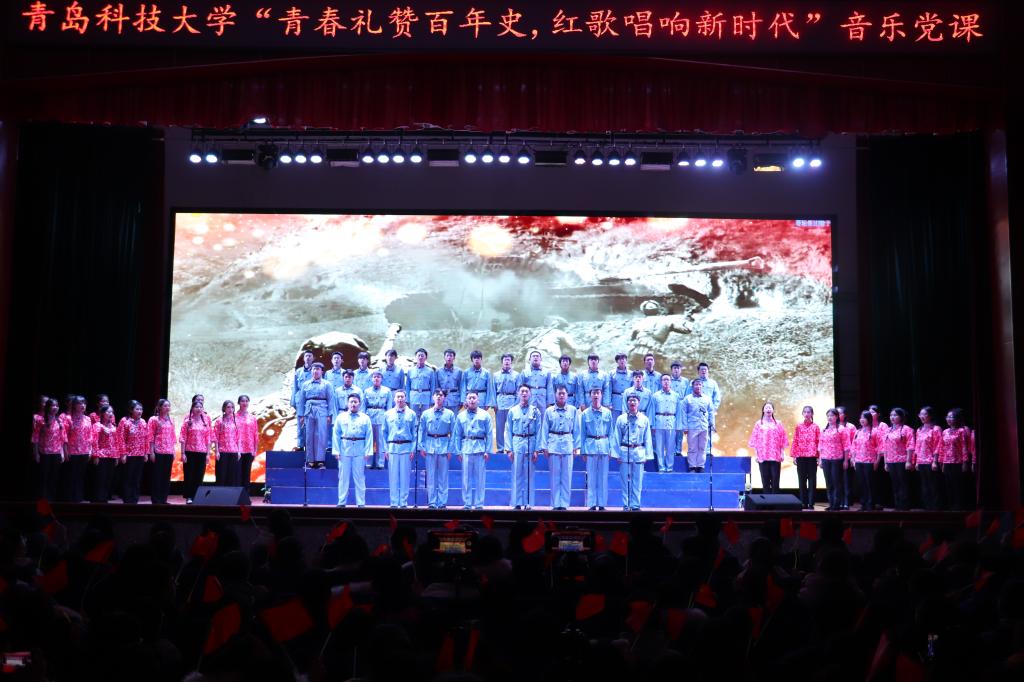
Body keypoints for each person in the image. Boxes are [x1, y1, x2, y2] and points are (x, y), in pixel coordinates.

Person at [540, 386, 581, 510]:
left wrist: (576, 446)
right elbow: (544, 429)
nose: (561, 395)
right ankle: (555, 504)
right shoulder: (549, 411)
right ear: (555, 395)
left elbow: (576, 429)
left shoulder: (573, 410)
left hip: (568, 444)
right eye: (559, 393)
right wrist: (544, 446)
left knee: (566, 477)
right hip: (553, 445)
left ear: (567, 395)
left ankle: (564, 504)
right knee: (554, 477)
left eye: (563, 393)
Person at [612, 394, 653, 511]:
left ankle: (635, 505)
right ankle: (626, 505)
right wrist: (617, 454)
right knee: (625, 481)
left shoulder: (644, 419)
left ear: (638, 403)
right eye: (630, 401)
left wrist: (647, 455)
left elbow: (647, 438)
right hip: (625, 451)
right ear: (627, 403)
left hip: (639, 452)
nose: (632, 403)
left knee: (637, 481)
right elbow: (617, 437)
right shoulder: (621, 419)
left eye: (634, 400)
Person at [453, 390, 493, 510]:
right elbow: (457, 435)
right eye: (469, 398)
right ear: (466, 400)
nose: (471, 400)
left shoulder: (485, 415)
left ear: (478, 400)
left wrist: (487, 451)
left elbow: (489, 434)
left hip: (480, 449)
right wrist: (458, 451)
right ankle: (467, 503)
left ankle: (479, 503)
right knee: (466, 478)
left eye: (474, 398)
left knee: (480, 478)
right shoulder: (460, 416)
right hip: (466, 448)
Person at [332, 393, 373, 508]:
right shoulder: (341, 417)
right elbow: (336, 434)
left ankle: (361, 503)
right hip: (344, 450)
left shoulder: (365, 418)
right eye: (351, 402)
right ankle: (341, 502)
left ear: (359, 403)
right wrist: (336, 451)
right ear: (347, 403)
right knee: (343, 477)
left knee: (360, 477)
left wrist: (368, 451)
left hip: (360, 450)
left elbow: (369, 435)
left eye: (355, 402)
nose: (353, 404)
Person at [504, 385, 541, 510]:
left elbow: (539, 430)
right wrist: (509, 449)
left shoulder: (535, 411)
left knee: (529, 475)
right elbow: (508, 430)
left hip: (531, 442)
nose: (524, 393)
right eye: (522, 391)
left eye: (526, 391)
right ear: (518, 394)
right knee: (517, 474)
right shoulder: (512, 411)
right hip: (517, 443)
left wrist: (537, 450)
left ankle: (529, 503)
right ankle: (517, 502)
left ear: (530, 394)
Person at [418, 389, 455, 509]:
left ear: (444, 398)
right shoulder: (426, 413)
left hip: (444, 446)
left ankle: (442, 502)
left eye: (441, 395)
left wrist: (450, 449)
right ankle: (432, 502)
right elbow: (421, 430)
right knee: (431, 476)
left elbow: (454, 433)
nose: (439, 397)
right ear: (433, 397)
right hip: (430, 446)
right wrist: (421, 446)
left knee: (443, 477)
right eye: (436, 395)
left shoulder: (450, 414)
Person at [382, 389, 418, 508]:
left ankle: (403, 503)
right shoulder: (388, 414)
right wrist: (386, 449)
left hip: (406, 448)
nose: (400, 399)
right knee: (393, 477)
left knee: (405, 477)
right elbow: (384, 433)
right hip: (392, 448)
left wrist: (413, 449)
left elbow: (415, 433)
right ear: (394, 399)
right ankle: (393, 502)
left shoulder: (412, 414)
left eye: (402, 397)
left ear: (405, 398)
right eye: (398, 397)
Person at [296, 363, 337, 468]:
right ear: (311, 371)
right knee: (309, 435)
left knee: (321, 435)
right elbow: (301, 400)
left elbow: (331, 400)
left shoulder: (327, 384)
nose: (315, 371)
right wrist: (301, 415)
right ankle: (310, 460)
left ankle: (320, 460)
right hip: (309, 410)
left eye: (318, 369)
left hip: (322, 410)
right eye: (314, 369)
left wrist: (330, 415)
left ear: (322, 371)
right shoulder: (305, 384)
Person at [580, 387, 613, 510]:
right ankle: (592, 504)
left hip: (604, 446)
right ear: (590, 396)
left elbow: (611, 432)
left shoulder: (607, 412)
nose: (596, 395)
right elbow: (582, 433)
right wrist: (583, 451)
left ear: (601, 395)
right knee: (592, 477)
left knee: (603, 477)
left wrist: (611, 449)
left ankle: (602, 504)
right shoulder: (585, 414)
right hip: (590, 447)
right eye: (593, 393)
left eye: (598, 393)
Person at [684, 362, 722, 461]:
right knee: (693, 434)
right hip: (695, 413)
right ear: (698, 371)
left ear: (708, 371)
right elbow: (687, 396)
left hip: (708, 412)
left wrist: (713, 409)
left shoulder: (713, 383)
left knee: (708, 432)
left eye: (705, 370)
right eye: (701, 370)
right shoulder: (693, 382)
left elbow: (717, 397)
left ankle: (708, 452)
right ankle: (694, 455)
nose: (703, 371)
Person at [748, 401, 787, 494]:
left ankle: (775, 499)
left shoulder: (778, 423)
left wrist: (782, 453)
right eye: (766, 408)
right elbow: (755, 439)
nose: (768, 409)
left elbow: (783, 438)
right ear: (763, 410)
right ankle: (767, 499)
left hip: (775, 455)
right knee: (765, 479)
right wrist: (756, 455)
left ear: (773, 410)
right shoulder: (758, 424)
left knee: (775, 479)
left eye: (770, 407)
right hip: (763, 455)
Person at [179, 397, 213, 504]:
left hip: (202, 452)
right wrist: (183, 453)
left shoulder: (205, 422)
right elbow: (183, 438)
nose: (199, 409)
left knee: (199, 475)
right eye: (196, 407)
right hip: (190, 452)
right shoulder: (187, 422)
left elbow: (208, 439)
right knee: (189, 475)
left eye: (200, 407)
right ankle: (189, 496)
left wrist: (208, 454)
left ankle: (198, 496)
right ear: (192, 409)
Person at [118, 400, 151, 505]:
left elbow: (146, 438)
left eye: (141, 409)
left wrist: (146, 453)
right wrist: (123, 453)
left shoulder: (143, 422)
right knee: (128, 477)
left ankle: (135, 499)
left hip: (140, 454)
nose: (140, 411)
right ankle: (127, 499)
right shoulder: (125, 421)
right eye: (137, 409)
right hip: (129, 454)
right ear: (131, 410)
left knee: (137, 478)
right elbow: (121, 438)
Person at [938, 407, 971, 511]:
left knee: (958, 485)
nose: (948, 419)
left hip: (958, 462)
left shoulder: (961, 431)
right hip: (947, 462)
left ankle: (959, 506)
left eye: (951, 417)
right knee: (949, 485)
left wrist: (965, 462)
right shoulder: (945, 431)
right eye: (947, 417)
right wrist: (942, 462)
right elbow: (942, 447)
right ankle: (951, 506)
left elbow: (964, 447)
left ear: (957, 418)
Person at [32, 397, 65, 501]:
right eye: (53, 405)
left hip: (56, 453)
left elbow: (61, 438)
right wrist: (36, 453)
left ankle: (51, 498)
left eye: (57, 405)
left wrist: (62, 453)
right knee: (43, 477)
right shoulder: (41, 420)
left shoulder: (59, 420)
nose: (55, 407)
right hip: (44, 453)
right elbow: (35, 438)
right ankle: (42, 499)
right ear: (48, 407)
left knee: (53, 476)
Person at [883, 407, 915, 511]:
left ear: (901, 417)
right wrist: (886, 462)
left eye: (895, 415)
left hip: (902, 460)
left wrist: (909, 461)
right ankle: (897, 505)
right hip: (891, 460)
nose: (892, 417)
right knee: (895, 484)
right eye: (891, 415)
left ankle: (904, 506)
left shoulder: (907, 429)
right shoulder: (888, 430)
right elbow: (885, 447)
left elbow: (910, 446)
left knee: (903, 483)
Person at [851, 410, 883, 511]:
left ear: (869, 419)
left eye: (864, 418)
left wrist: (877, 461)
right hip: (859, 461)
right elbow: (854, 446)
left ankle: (871, 504)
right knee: (861, 483)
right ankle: (863, 504)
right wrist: (853, 460)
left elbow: (880, 447)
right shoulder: (858, 432)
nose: (862, 420)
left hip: (870, 461)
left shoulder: (875, 431)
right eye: (861, 418)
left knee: (870, 483)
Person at [64, 396, 94, 503]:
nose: (83, 405)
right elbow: (65, 436)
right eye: (80, 403)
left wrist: (90, 450)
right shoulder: (68, 418)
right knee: (71, 475)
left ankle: (78, 498)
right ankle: (69, 498)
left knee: (80, 476)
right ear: (74, 405)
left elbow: (90, 435)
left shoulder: (87, 419)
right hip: (72, 451)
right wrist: (65, 451)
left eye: (84, 403)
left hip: (84, 451)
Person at [680, 379, 714, 472]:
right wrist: (685, 427)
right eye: (696, 384)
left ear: (702, 386)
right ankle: (692, 466)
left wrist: (712, 424)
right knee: (692, 448)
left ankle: (700, 466)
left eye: (700, 384)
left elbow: (711, 412)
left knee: (702, 447)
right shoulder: (687, 399)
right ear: (692, 386)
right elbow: (683, 414)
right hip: (692, 427)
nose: (698, 386)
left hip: (704, 426)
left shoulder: (707, 398)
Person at [818, 408, 849, 511]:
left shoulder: (841, 429)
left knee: (836, 482)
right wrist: (820, 459)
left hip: (837, 458)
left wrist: (845, 460)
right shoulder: (824, 429)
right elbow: (821, 445)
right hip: (826, 458)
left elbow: (846, 446)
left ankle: (836, 504)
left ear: (836, 417)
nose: (829, 417)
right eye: (828, 416)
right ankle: (831, 503)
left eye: (832, 415)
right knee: (829, 482)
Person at [791, 406, 820, 510]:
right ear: (802, 414)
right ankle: (803, 502)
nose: (807, 414)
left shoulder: (816, 427)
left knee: (812, 480)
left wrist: (819, 456)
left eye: (809, 412)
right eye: (805, 412)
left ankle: (811, 503)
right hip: (801, 456)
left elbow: (819, 442)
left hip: (812, 456)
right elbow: (795, 440)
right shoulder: (798, 426)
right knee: (802, 480)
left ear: (812, 414)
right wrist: (794, 455)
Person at [651, 374, 682, 473]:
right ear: (661, 382)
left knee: (670, 447)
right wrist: (652, 425)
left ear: (670, 382)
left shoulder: (676, 396)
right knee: (659, 447)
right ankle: (661, 467)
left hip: (671, 422)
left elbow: (679, 412)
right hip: (659, 421)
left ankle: (669, 467)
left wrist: (679, 426)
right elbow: (652, 411)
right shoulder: (655, 395)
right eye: (664, 380)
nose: (666, 382)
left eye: (668, 380)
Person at [362, 370, 393, 469]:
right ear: (371, 379)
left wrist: (388, 418)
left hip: (381, 416)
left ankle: (380, 463)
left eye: (378, 377)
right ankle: (368, 462)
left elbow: (389, 407)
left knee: (380, 441)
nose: (376, 378)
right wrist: (363, 418)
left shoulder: (387, 391)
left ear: (381, 379)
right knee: (369, 440)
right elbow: (363, 406)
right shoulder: (366, 391)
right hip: (369, 416)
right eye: (374, 377)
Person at [914, 406, 943, 510]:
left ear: (930, 416)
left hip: (931, 461)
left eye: (925, 414)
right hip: (921, 461)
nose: (922, 416)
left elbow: (938, 445)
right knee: (924, 485)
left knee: (933, 485)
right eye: (920, 414)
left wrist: (935, 461)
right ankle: (927, 506)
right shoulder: (919, 430)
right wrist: (917, 461)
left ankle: (935, 507)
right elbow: (917, 446)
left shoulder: (936, 429)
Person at [148, 398, 176, 505]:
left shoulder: (171, 419)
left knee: (166, 477)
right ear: (159, 407)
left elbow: (173, 436)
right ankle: (156, 499)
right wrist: (151, 452)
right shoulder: (153, 419)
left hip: (168, 451)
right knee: (157, 476)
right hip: (158, 451)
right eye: (165, 406)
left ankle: (163, 499)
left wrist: (173, 451)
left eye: (168, 406)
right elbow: (150, 436)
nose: (167, 408)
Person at [90, 406, 120, 503]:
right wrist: (95, 455)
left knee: (108, 478)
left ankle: (105, 498)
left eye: (112, 412)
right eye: (108, 412)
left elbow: (116, 442)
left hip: (112, 455)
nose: (111, 414)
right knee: (100, 478)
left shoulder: (113, 426)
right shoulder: (97, 425)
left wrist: (116, 456)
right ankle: (98, 499)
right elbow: (94, 441)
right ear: (103, 413)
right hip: (101, 455)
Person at [493, 353, 521, 453]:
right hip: (500, 404)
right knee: (499, 428)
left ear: (511, 362)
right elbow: (493, 390)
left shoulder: (517, 375)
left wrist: (516, 405)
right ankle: (500, 449)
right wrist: (494, 404)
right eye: (505, 359)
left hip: (512, 403)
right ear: (502, 361)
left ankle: (511, 448)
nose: (507, 361)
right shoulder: (496, 375)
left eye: (509, 359)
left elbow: (519, 391)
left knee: (512, 428)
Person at [213, 400, 242, 487]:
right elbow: (216, 437)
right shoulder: (219, 421)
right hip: (222, 451)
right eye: (228, 407)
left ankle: (230, 493)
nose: (230, 409)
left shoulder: (236, 421)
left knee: (232, 475)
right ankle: (220, 493)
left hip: (233, 451)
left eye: (232, 407)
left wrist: (239, 451)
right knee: (221, 474)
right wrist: (217, 451)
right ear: (224, 408)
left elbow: (238, 437)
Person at [291, 350, 315, 450]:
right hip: (300, 401)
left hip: (311, 401)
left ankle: (310, 446)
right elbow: (295, 387)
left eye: (310, 356)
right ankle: (300, 445)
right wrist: (293, 401)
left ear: (313, 358)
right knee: (300, 423)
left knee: (311, 424)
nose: (308, 358)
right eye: (306, 356)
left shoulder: (315, 371)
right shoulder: (298, 372)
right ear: (304, 358)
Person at [836, 406, 857, 510]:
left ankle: (846, 502)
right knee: (837, 481)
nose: (838, 415)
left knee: (846, 481)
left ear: (845, 415)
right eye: (836, 413)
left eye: (840, 413)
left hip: (847, 457)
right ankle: (839, 502)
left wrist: (852, 457)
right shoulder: (832, 426)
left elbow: (854, 443)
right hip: (835, 457)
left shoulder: (851, 427)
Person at [236, 395, 260, 487]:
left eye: (246, 401)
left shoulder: (252, 418)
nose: (245, 403)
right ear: (239, 403)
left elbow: (255, 434)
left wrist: (255, 450)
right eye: (242, 401)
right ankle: (236, 493)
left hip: (249, 448)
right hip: (237, 449)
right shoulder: (234, 416)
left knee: (247, 473)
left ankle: (246, 492)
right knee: (237, 473)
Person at [406, 348, 436, 418]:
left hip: (426, 398)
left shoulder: (430, 371)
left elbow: (433, 386)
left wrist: (432, 400)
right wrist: (407, 399)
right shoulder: (410, 370)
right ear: (415, 357)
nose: (420, 357)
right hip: (413, 397)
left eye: (422, 356)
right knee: (413, 417)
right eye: (418, 355)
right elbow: (407, 386)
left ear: (426, 358)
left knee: (426, 417)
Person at [667, 362, 687, 456]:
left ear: (681, 370)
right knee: (669, 429)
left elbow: (687, 395)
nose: (676, 370)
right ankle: (670, 451)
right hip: (669, 406)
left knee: (679, 430)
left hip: (681, 407)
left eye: (678, 368)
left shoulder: (686, 381)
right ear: (671, 370)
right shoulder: (667, 380)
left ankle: (678, 451)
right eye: (674, 368)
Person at [436, 348, 464, 414]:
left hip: (454, 400)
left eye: (451, 356)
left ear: (454, 358)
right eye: (447, 355)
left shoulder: (459, 371)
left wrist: (462, 400)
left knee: (454, 418)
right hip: (442, 399)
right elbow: (436, 387)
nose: (449, 358)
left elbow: (461, 387)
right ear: (444, 357)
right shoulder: (438, 371)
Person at [609, 353, 632, 423]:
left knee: (626, 422)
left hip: (627, 402)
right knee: (615, 422)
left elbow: (633, 390)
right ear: (617, 361)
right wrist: (609, 403)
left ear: (626, 361)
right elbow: (608, 389)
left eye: (624, 359)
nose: (622, 361)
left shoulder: (631, 374)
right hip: (615, 402)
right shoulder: (611, 373)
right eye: (620, 359)